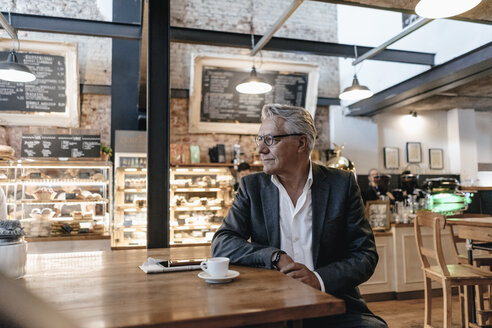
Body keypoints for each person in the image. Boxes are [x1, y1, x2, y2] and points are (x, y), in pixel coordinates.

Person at [212, 104, 386, 328]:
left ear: (301, 143)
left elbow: (365, 255)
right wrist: (273, 256)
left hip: (332, 301)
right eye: (259, 139)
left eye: (270, 140)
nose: (261, 150)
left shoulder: (341, 185)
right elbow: (222, 242)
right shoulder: (251, 187)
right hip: (268, 303)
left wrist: (318, 279)